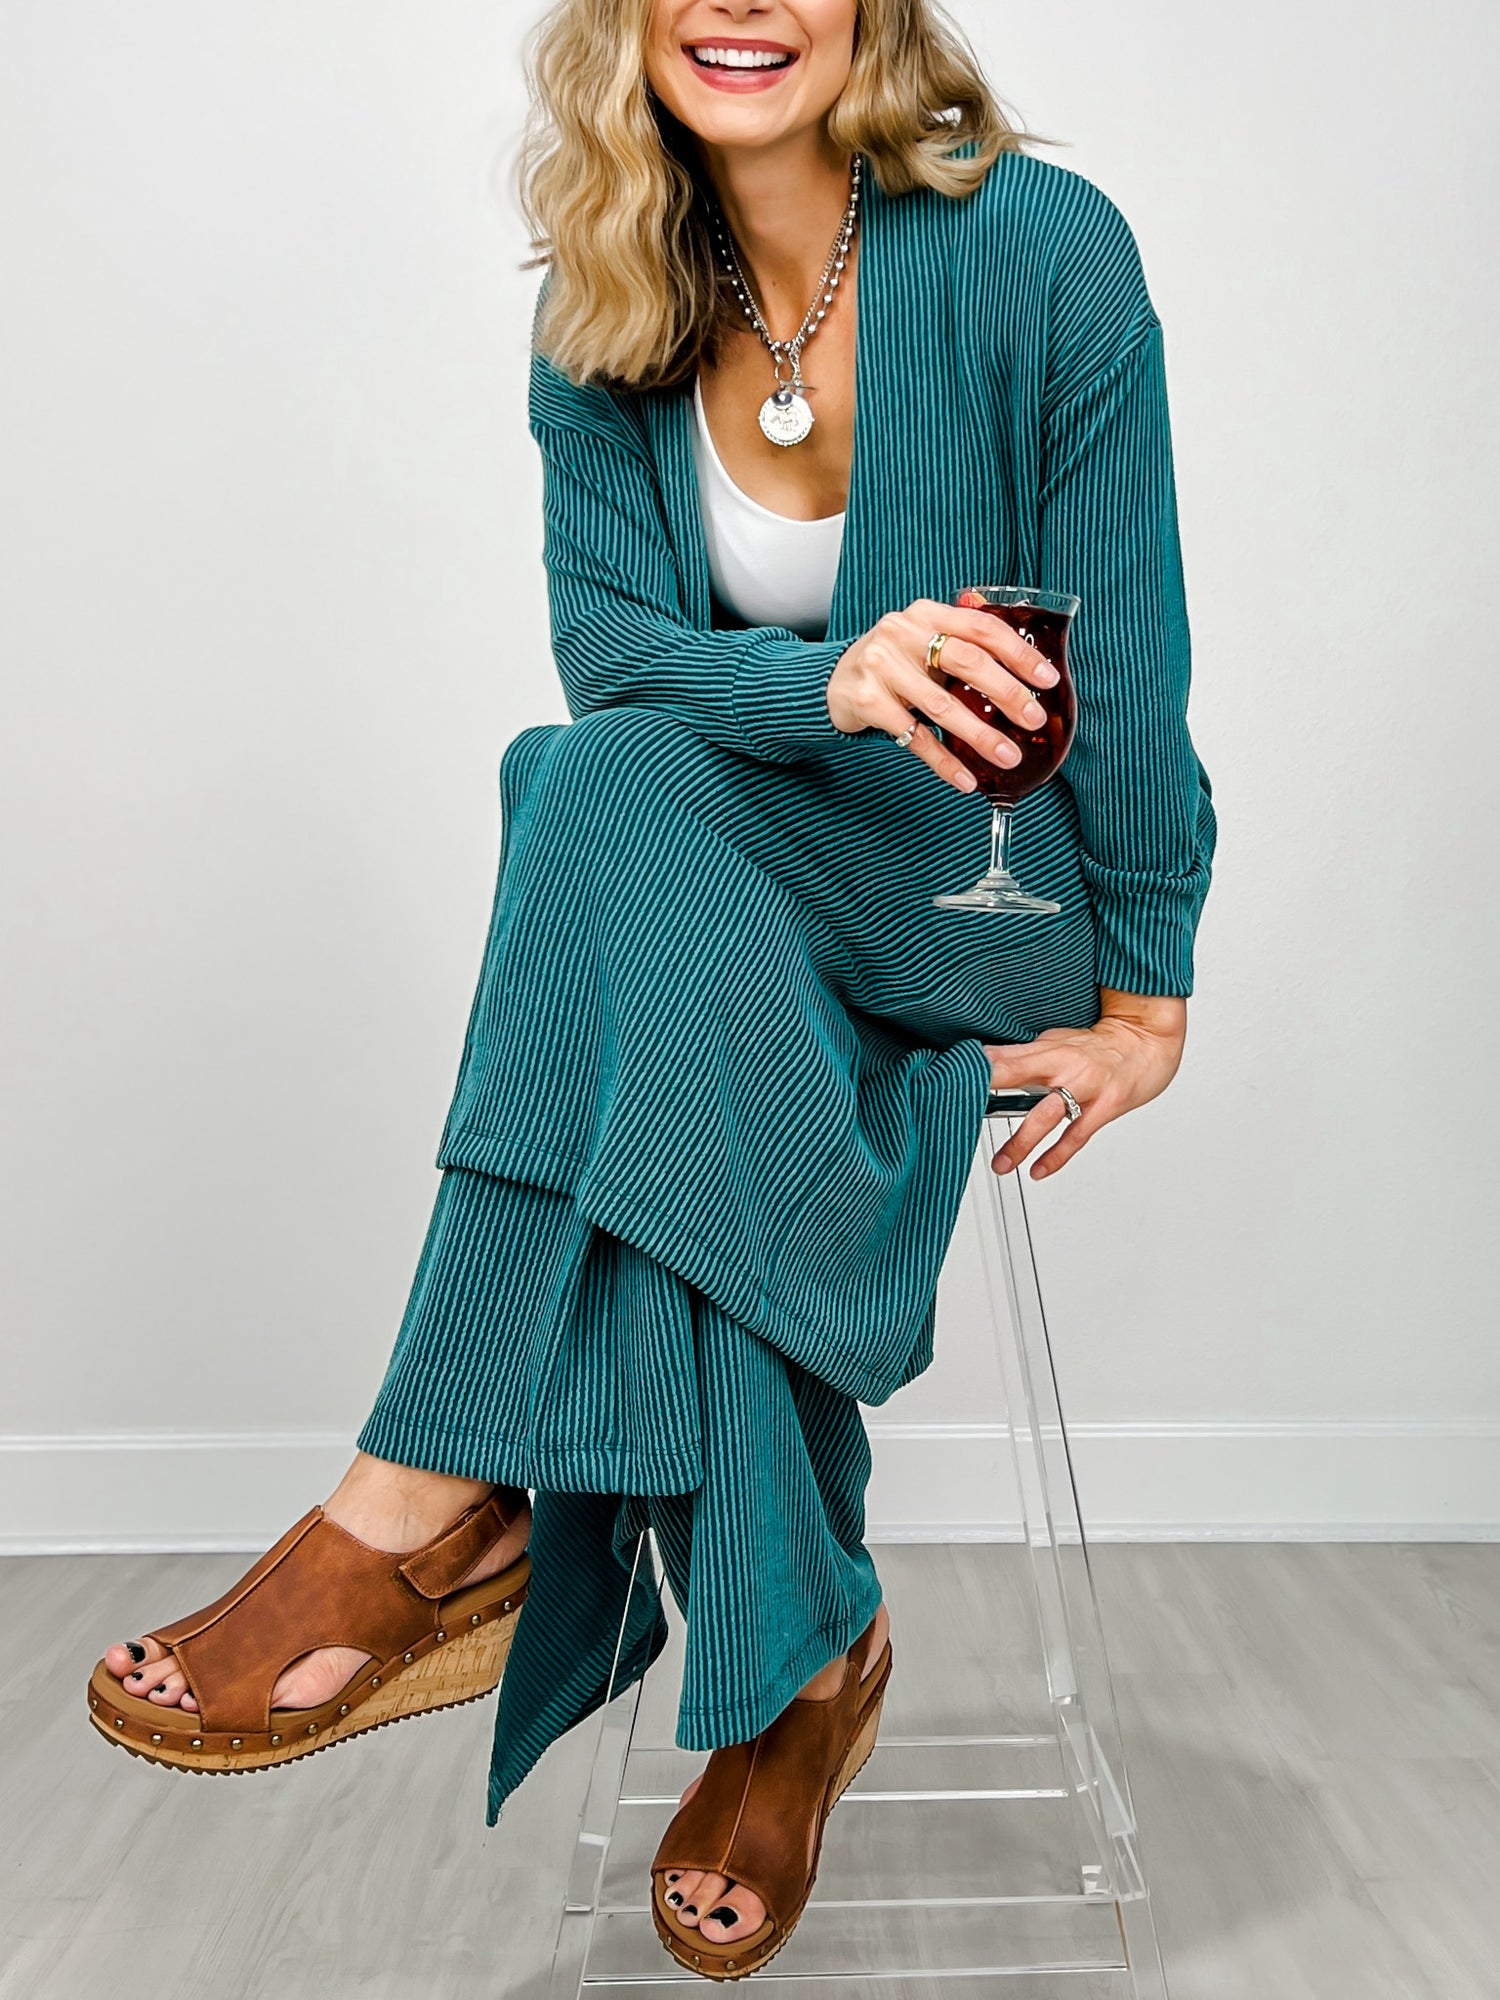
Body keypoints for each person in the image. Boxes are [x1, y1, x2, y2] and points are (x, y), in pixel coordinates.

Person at [86, 0, 1215, 1980]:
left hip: (983, 878)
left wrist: (1151, 989)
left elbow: (1125, 641)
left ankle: (438, 1499)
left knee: (587, 803)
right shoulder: (605, 294)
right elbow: (609, 649)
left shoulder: (1042, 250)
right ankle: (804, 1649)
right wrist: (825, 678)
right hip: (726, 886)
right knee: (604, 793)